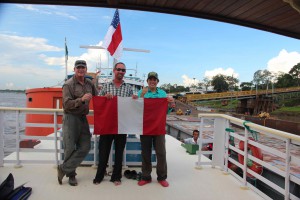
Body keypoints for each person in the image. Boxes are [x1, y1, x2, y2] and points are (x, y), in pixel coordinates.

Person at [93, 62, 137, 186]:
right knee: (103, 152)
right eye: (119, 69)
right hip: (107, 125)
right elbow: (99, 103)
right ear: (114, 70)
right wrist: (104, 97)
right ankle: (99, 176)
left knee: (119, 152)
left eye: (123, 70)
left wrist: (133, 99)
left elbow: (132, 107)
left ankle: (116, 176)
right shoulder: (106, 86)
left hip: (121, 125)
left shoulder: (128, 88)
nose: (121, 72)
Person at [57, 60, 97, 186]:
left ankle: (63, 168)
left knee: (86, 146)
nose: (81, 70)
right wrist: (81, 99)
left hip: (82, 118)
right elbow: (66, 105)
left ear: (86, 69)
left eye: (83, 68)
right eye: (78, 67)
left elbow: (97, 95)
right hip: (71, 117)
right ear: (74, 69)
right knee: (69, 147)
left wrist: (106, 96)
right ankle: (71, 175)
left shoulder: (89, 83)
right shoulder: (68, 85)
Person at [137, 71, 175, 187]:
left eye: (155, 80)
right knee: (145, 153)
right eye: (150, 79)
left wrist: (171, 105)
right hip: (145, 127)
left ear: (157, 82)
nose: (152, 81)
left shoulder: (163, 93)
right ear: (147, 81)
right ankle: (146, 176)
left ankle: (162, 177)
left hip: (158, 127)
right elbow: (136, 109)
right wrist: (141, 96)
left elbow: (166, 111)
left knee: (161, 153)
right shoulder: (141, 92)